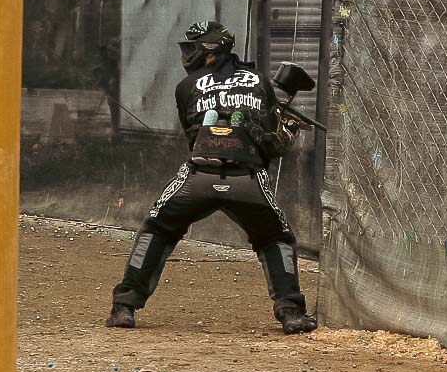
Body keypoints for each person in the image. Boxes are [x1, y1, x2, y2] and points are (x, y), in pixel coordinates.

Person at [106, 21, 318, 335]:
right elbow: (274, 146)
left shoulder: (186, 86)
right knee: (276, 237)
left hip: (199, 176)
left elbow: (195, 138)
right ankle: (291, 313)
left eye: (192, 47)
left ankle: (124, 307)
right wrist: (287, 126)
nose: (187, 54)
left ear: (208, 50)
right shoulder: (261, 81)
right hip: (247, 179)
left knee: (157, 228)